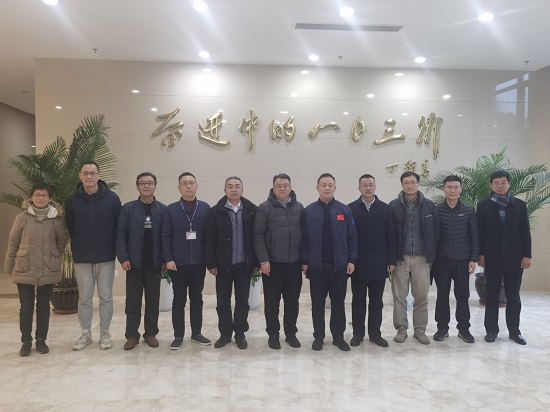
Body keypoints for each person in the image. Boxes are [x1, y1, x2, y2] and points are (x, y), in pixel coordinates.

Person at [4, 183, 68, 356]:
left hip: (48, 268)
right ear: (31, 197)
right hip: (25, 267)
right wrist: (9, 266)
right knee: (26, 307)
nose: (40, 198)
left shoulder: (56, 219)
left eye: (44, 195)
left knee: (43, 307)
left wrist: (53, 254)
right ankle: (26, 341)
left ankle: (41, 340)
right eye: (37, 195)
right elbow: (13, 243)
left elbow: (62, 241)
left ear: (49, 198)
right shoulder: (22, 218)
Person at [65, 161, 122, 351]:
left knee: (106, 297)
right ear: (80, 175)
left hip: (106, 256)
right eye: (85, 173)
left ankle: (105, 332)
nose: (89, 176)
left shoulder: (112, 198)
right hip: (81, 257)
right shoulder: (72, 200)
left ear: (98, 175)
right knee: (84, 298)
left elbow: (118, 226)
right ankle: (86, 333)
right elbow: (70, 226)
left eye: (92, 173)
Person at [302, 173, 358, 351]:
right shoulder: (308, 211)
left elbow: (352, 237)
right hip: (316, 266)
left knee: (338, 303)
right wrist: (304, 261)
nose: (327, 188)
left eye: (330, 185)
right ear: (317, 187)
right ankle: (318, 337)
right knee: (317, 304)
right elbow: (304, 239)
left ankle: (338, 337)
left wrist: (351, 260)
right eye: (323, 185)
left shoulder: (344, 210)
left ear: (335, 188)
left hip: (339, 266)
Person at [477, 170, 532, 345]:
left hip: (515, 258)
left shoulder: (520, 205)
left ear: (509, 184)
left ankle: (514, 331)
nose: (500, 186)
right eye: (496, 183)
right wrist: (480, 254)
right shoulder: (484, 206)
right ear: (491, 185)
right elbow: (480, 233)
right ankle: (491, 330)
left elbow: (525, 232)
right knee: (491, 296)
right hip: (492, 258)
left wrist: (527, 255)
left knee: (513, 296)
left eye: (503, 182)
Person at [205, 176, 258, 350]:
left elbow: (257, 238)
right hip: (222, 266)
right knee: (223, 303)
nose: (234, 189)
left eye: (237, 186)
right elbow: (209, 239)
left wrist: (256, 263)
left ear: (242, 190)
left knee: (243, 302)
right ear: (224, 190)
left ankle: (240, 334)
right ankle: (225, 334)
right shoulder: (215, 211)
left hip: (244, 265)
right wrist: (211, 263)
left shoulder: (252, 210)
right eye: (230, 186)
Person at [116, 172, 167, 350]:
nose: (146, 186)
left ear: (155, 186)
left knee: (153, 301)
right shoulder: (128, 209)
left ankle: (150, 333)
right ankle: (132, 335)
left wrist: (165, 259)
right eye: (143, 183)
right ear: (137, 186)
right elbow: (121, 234)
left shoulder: (163, 209)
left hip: (155, 264)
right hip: (134, 264)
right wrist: (123, 258)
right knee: (133, 301)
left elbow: (166, 237)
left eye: (150, 183)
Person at [253, 173, 304, 349]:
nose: (282, 188)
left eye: (285, 185)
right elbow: (257, 235)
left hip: (294, 264)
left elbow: (305, 236)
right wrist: (263, 260)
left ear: (290, 187)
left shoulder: (299, 207)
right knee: (272, 303)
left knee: (292, 303)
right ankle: (273, 334)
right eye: (278, 185)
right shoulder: (264, 208)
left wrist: (304, 260)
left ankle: (291, 334)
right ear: (273, 188)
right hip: (272, 265)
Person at [162, 172, 211, 349]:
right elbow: (166, 236)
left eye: (191, 183)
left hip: (199, 263)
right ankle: (178, 336)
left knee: (197, 299)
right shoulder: (171, 209)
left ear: (196, 186)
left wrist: (209, 260)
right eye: (184, 183)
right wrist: (168, 258)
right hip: (178, 264)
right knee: (178, 300)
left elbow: (209, 236)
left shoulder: (205, 208)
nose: (188, 186)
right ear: (179, 188)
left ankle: (196, 333)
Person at [389, 171, 439, 345]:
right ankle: (401, 328)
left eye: (413, 182)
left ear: (418, 184)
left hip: (421, 259)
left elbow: (436, 232)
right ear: (402, 185)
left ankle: (420, 330)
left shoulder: (429, 206)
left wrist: (431, 254)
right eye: (406, 182)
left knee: (421, 297)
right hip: (400, 259)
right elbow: (389, 234)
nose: (409, 186)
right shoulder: (394, 206)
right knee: (399, 297)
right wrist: (391, 258)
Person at [348, 174, 396, 348]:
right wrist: (350, 260)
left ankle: (375, 334)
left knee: (377, 302)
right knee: (358, 301)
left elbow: (391, 237)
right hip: (358, 264)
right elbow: (348, 238)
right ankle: (358, 334)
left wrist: (391, 260)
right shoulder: (351, 209)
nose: (368, 188)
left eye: (371, 185)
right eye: (364, 185)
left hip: (379, 263)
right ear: (359, 188)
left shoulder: (385, 209)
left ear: (375, 187)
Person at [432, 175, 479, 343]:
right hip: (441, 261)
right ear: (443, 189)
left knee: (463, 296)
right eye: (449, 187)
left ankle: (464, 329)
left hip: (462, 261)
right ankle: (442, 329)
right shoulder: (436, 210)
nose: (452, 190)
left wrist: (473, 258)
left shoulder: (468, 210)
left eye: (456, 187)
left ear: (461, 190)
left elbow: (474, 237)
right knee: (442, 296)